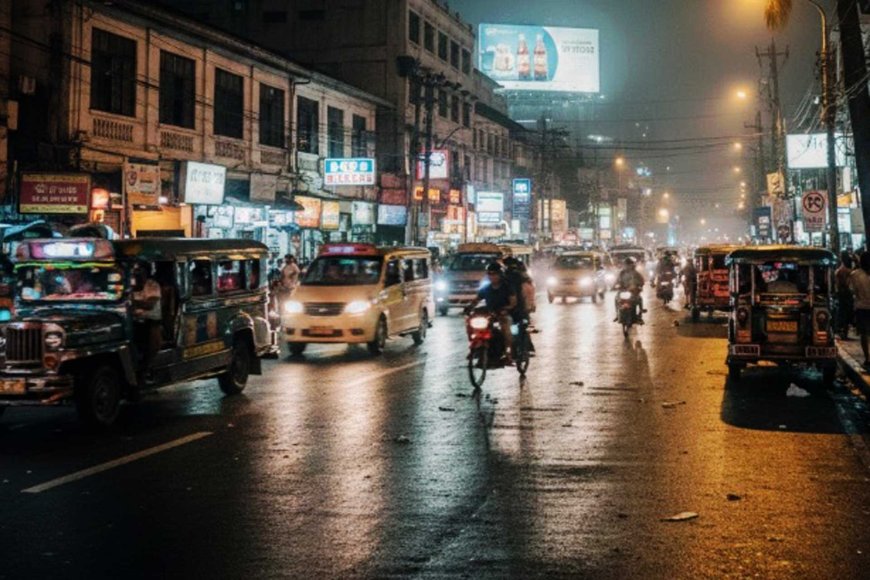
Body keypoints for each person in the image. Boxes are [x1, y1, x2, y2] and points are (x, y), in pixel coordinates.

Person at [465, 262, 517, 364]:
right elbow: (476, 300)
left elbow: (513, 303)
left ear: (500, 274)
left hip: (503, 313)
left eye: (495, 274)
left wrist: (505, 309)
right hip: (490, 314)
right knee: (470, 322)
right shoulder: (486, 288)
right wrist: (469, 307)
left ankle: (508, 353)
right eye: (490, 274)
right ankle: (474, 347)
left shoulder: (507, 287)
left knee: (506, 329)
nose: (492, 276)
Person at [132, 261, 162, 382]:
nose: (137, 274)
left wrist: (130, 303)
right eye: (135, 271)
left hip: (150, 321)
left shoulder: (152, 285)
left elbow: (149, 304)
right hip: (133, 321)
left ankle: (145, 369)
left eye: (140, 271)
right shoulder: (129, 285)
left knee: (149, 342)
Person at [850, 252, 870, 368]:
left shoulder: (855, 275)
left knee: (864, 334)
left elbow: (853, 291)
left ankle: (867, 358)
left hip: (862, 307)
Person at [614, 257, 646, 324]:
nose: (627, 266)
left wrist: (639, 286)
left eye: (629, 264)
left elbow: (642, 281)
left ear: (632, 265)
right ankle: (617, 314)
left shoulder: (636, 273)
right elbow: (617, 281)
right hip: (623, 291)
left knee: (639, 299)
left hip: (633, 291)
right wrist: (616, 285)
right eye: (626, 264)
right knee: (616, 299)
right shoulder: (621, 273)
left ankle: (640, 314)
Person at [836, 251, 854, 340]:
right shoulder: (850, 270)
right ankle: (845, 332)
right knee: (846, 313)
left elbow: (840, 283)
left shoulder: (841, 270)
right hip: (848, 293)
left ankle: (843, 331)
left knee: (842, 313)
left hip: (842, 293)